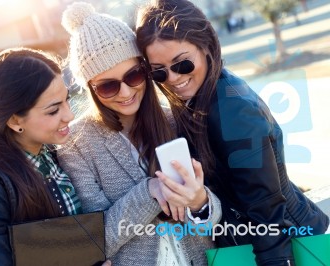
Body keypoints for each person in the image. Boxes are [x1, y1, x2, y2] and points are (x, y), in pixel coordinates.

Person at [135, 0, 329, 265]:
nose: (172, 78)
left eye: (182, 64)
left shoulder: (233, 110)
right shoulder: (204, 96)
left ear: (205, 46)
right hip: (250, 244)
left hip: (286, 247)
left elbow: (267, 213)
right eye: (159, 72)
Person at [58, 2, 221, 265]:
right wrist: (150, 191)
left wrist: (200, 200)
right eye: (108, 86)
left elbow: (213, 220)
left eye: (133, 76)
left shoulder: (175, 119)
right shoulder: (76, 144)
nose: (125, 92)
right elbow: (99, 237)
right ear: (90, 89)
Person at [0, 47, 110, 266]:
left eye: (67, 99)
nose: (70, 115)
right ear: (15, 121)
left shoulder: (59, 154)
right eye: (53, 110)